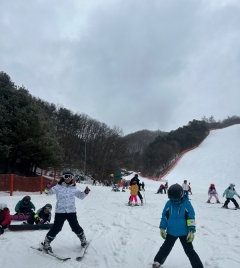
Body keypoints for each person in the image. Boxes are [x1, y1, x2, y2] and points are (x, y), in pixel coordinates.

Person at [152, 184, 204, 268]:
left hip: (184, 232)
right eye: (171, 199)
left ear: (181, 195)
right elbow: (164, 216)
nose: (174, 201)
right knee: (165, 248)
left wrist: (191, 230)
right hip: (171, 231)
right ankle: (158, 261)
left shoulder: (187, 204)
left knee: (190, 251)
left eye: (175, 199)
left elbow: (191, 217)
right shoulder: (169, 203)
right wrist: (162, 227)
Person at [42, 170, 91, 253]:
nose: (67, 178)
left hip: (71, 211)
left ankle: (83, 240)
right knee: (57, 228)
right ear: (63, 177)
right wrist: (47, 187)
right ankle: (47, 242)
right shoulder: (58, 187)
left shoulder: (73, 188)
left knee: (75, 227)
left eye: (69, 177)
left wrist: (85, 192)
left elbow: (81, 196)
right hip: (60, 212)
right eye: (66, 176)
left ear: (72, 178)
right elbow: (47, 193)